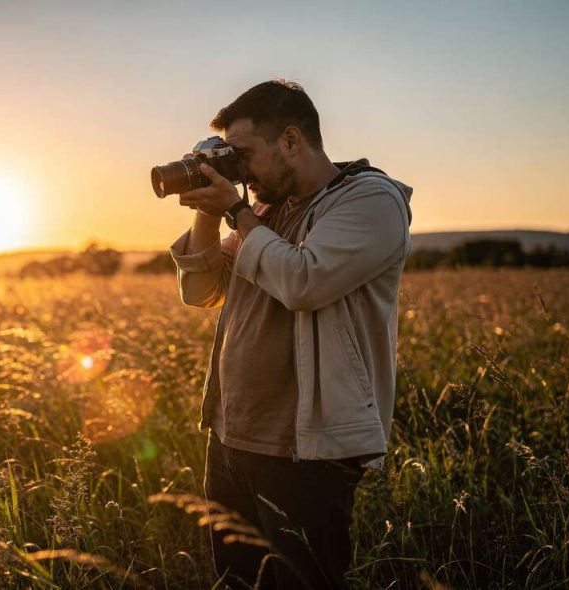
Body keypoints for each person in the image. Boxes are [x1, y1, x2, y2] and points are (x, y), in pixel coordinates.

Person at [168, 80, 413, 589]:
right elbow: (201, 291)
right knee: (235, 581)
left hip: (306, 449)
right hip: (231, 436)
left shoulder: (369, 199)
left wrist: (234, 210)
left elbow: (304, 281)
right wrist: (207, 209)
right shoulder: (265, 211)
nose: (240, 172)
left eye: (244, 156)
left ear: (292, 140)